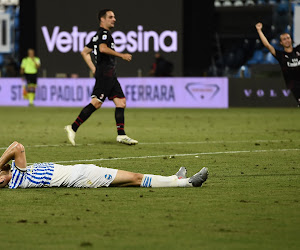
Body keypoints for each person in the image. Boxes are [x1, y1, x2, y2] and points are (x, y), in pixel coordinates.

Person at [65, 9, 138, 146]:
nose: (114, 19)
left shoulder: (97, 35)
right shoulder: (104, 34)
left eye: (114, 17)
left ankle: (121, 135)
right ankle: (72, 127)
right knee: (96, 103)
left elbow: (85, 52)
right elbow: (103, 49)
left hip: (109, 74)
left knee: (121, 102)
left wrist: (93, 68)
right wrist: (122, 55)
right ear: (102, 19)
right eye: (111, 17)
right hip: (105, 74)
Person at [0, 141, 208, 189]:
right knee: (135, 178)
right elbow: (17, 146)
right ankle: (187, 183)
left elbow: (14, 150)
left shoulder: (17, 173)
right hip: (82, 177)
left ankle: (175, 179)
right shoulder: (17, 178)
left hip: (81, 172)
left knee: (133, 180)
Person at [255, 22, 300, 107]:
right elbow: (267, 45)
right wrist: (259, 30)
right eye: (284, 39)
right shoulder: (281, 55)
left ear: (291, 39)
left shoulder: (298, 50)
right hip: (295, 86)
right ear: (281, 43)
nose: (287, 40)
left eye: (288, 38)